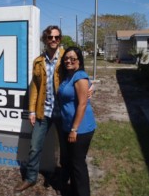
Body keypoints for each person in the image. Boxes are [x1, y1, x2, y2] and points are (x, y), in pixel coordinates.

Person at [14, 25, 68, 194]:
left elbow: (78, 75)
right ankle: (30, 178)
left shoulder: (67, 57)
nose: (54, 40)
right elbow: (35, 88)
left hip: (63, 112)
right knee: (34, 147)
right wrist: (31, 111)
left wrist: (89, 87)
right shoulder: (38, 61)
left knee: (66, 150)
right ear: (45, 39)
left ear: (60, 39)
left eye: (57, 37)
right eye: (50, 37)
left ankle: (63, 182)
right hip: (42, 111)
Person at [58, 46, 97, 196]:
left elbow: (82, 104)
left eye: (72, 58)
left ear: (79, 61)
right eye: (66, 58)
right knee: (73, 163)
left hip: (80, 128)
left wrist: (74, 129)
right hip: (69, 125)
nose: (68, 61)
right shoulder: (68, 75)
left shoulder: (79, 76)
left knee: (78, 165)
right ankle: (75, 191)